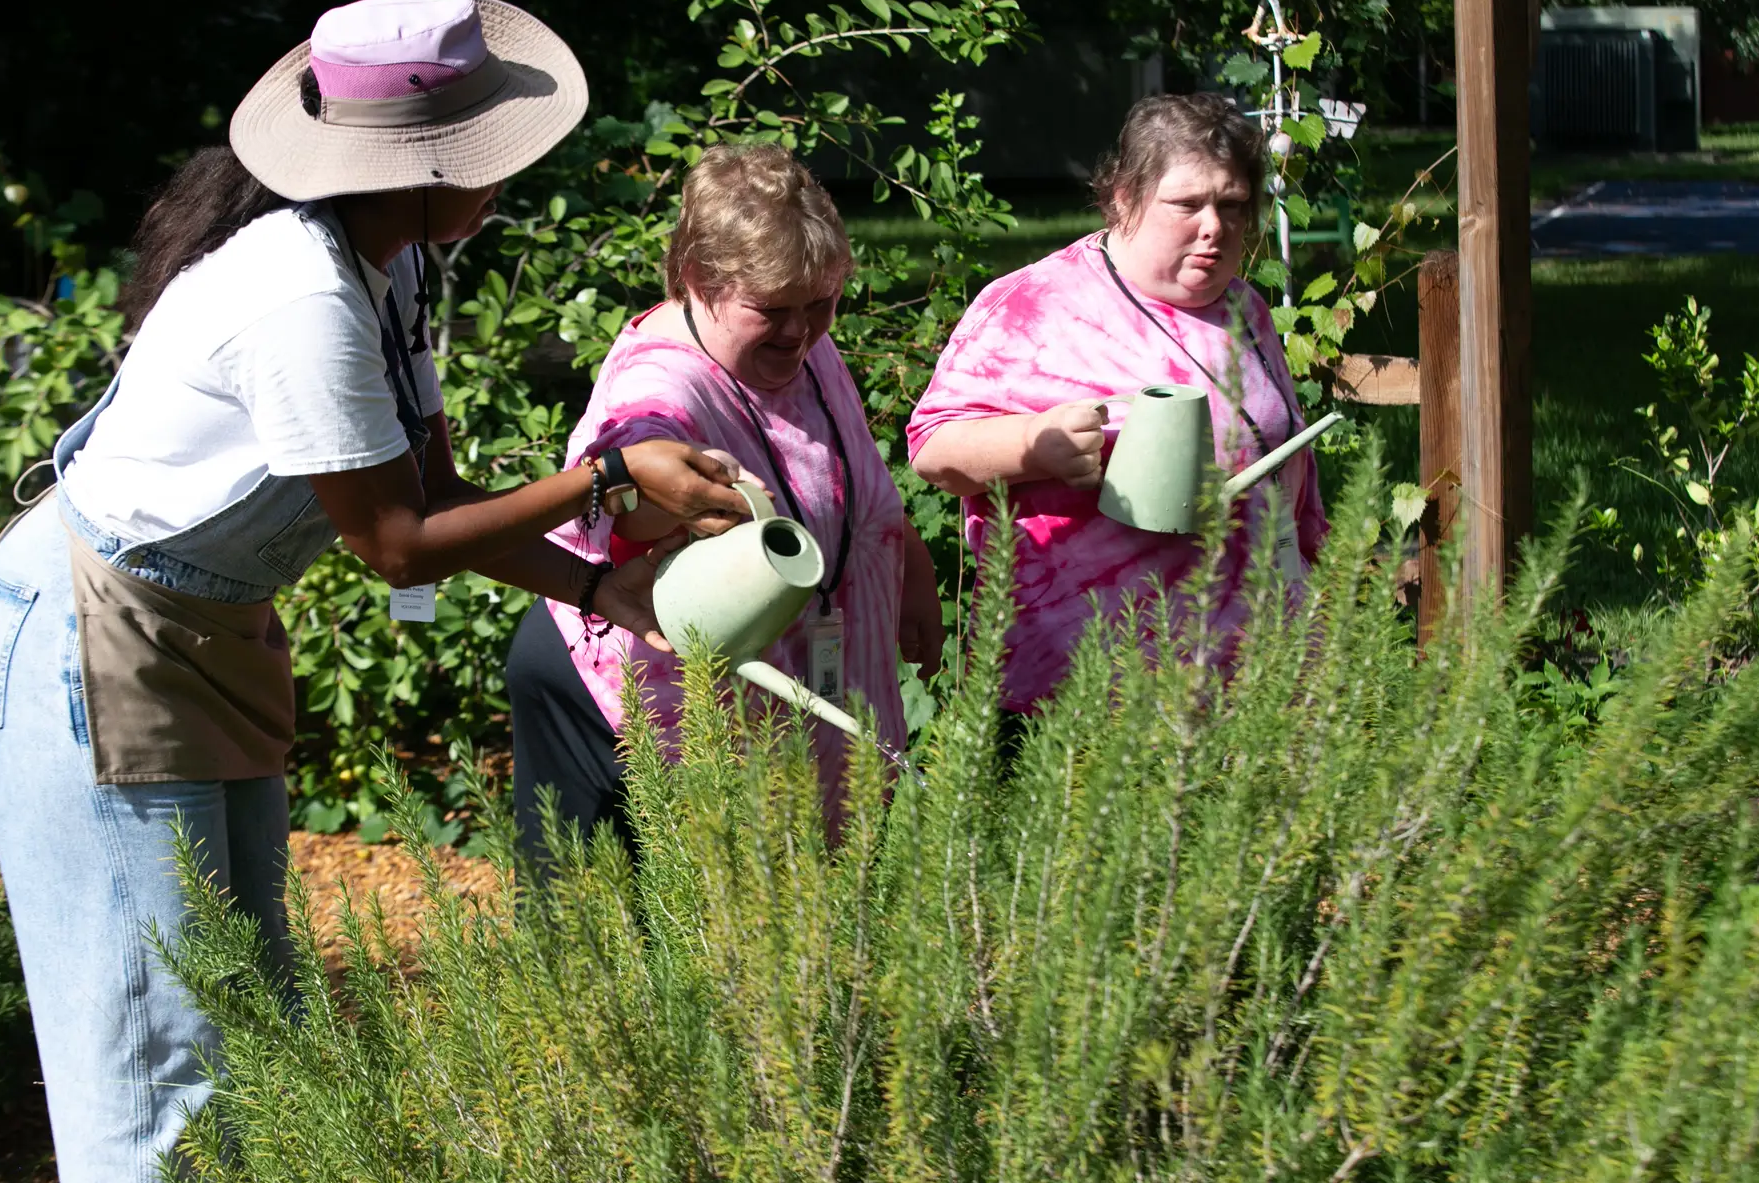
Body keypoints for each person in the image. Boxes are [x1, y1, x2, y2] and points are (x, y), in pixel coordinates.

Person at [0, 0, 749, 1183]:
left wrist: (601, 586)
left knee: (255, 1025)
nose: (510, 176)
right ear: (412, 165)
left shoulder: (393, 265)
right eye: (487, 152)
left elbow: (435, 494)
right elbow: (397, 545)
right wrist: (607, 475)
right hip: (86, 643)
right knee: (160, 1075)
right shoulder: (299, 297)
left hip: (197, 631)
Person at [506, 143, 944, 853]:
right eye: (773, 310)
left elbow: (843, 467)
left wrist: (909, 564)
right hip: (640, 712)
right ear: (695, 279)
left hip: (796, 691)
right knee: (644, 938)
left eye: (822, 302)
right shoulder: (657, 390)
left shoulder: (790, 338)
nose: (801, 329)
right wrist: (667, 499)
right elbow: (631, 506)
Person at [906, 92, 1327, 718]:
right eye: (1187, 204)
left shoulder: (1246, 311)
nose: (1214, 226)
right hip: (1086, 688)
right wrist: (1034, 444)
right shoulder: (1034, 307)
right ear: (1123, 198)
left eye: (1233, 205)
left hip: (1252, 681)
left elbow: (1288, 478)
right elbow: (933, 450)